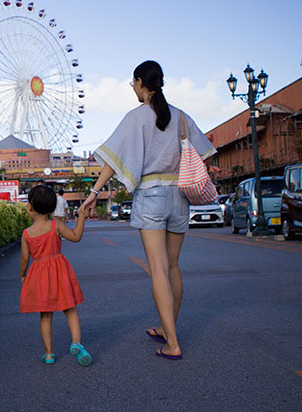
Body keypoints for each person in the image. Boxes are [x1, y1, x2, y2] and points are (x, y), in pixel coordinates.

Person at [79, 60, 219, 361]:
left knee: (156, 268)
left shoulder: (136, 117)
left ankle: (173, 343)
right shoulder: (180, 117)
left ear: (141, 82)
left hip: (151, 195)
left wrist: (93, 194)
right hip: (179, 196)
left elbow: (113, 161)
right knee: (172, 267)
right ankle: (168, 329)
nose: (133, 88)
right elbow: (202, 154)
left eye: (133, 83)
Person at [19, 184, 93, 366]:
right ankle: (76, 343)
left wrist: (23, 275)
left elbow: (24, 258)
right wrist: (81, 218)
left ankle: (49, 353)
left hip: (39, 275)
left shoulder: (27, 234)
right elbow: (76, 236)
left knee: (45, 315)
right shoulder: (55, 226)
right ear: (52, 208)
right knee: (70, 309)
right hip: (59, 271)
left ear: (30, 207)